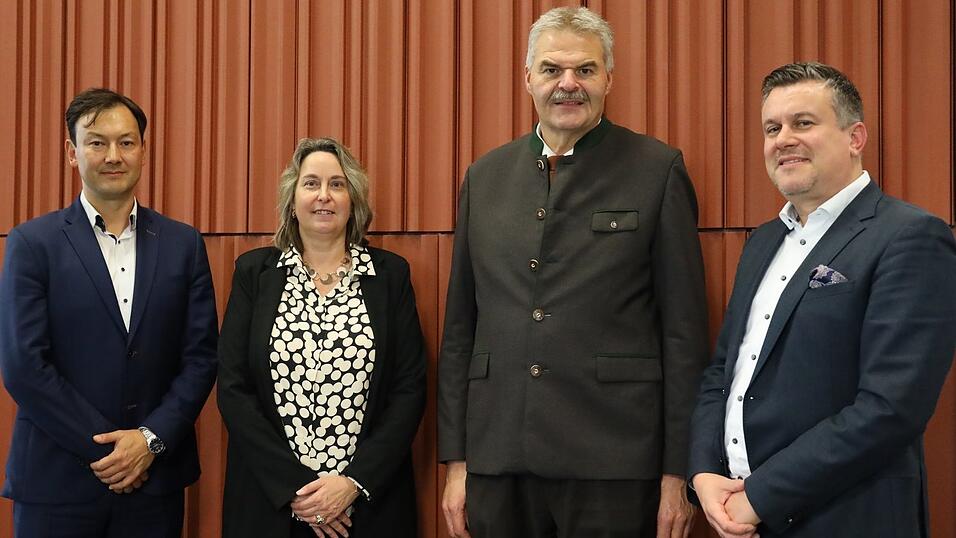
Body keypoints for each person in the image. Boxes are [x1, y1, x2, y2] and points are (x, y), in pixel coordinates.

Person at [438, 7, 708, 538]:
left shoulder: (657, 170)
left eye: (585, 70)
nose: (568, 84)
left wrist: (679, 475)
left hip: (613, 461)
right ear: (528, 78)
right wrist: (457, 463)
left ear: (609, 77)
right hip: (498, 460)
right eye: (552, 69)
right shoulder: (485, 177)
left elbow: (684, 335)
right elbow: (460, 332)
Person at [688, 62, 956, 538]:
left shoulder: (910, 237)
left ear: (855, 137)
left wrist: (762, 496)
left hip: (847, 516)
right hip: (740, 516)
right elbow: (723, 368)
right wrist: (704, 471)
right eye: (773, 128)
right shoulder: (762, 242)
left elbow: (892, 408)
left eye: (803, 123)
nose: (783, 139)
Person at [0, 88, 219, 537]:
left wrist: (149, 441)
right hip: (56, 485)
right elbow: (24, 365)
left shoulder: (183, 245)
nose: (112, 155)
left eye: (126, 141)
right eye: (97, 142)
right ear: (72, 152)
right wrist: (111, 452)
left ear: (143, 149)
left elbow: (200, 358)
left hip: (154, 485)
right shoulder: (32, 244)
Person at [217, 137, 427, 538]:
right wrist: (297, 489)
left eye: (337, 184)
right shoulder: (254, 274)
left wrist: (351, 484)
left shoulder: (390, 277)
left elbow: (408, 388)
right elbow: (233, 387)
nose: (324, 196)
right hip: (271, 505)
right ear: (292, 199)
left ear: (354, 199)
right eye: (311, 183)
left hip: (366, 507)